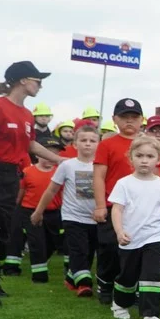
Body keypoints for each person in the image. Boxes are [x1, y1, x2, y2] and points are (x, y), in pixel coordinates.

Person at [0, 61, 63, 306]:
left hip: (8, 175)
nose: (40, 85)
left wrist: (62, 160)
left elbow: (31, 145)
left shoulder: (27, 114)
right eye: (37, 80)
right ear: (22, 81)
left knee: (3, 231)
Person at [108, 136, 160, 319]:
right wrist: (119, 231)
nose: (144, 160)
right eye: (139, 155)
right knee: (128, 276)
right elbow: (117, 209)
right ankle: (120, 304)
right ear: (131, 158)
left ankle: (151, 313)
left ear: (158, 159)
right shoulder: (124, 183)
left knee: (152, 274)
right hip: (130, 238)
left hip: (154, 237)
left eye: (149, 156)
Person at [34, 122, 99, 296]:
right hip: (73, 216)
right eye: (83, 140)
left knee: (89, 252)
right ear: (75, 144)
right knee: (78, 250)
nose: (87, 143)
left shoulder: (101, 166)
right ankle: (84, 284)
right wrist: (39, 211)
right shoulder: (67, 165)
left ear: (98, 144)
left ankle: (71, 278)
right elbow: (52, 190)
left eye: (92, 140)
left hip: (95, 217)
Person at [92, 99, 144, 305]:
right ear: (115, 120)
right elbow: (98, 176)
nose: (129, 121)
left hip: (140, 207)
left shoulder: (147, 144)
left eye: (134, 118)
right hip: (114, 205)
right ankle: (105, 285)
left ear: (141, 120)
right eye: (124, 118)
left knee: (137, 249)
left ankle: (131, 288)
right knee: (109, 248)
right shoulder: (107, 145)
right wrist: (99, 205)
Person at [15, 139, 66, 282]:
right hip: (30, 211)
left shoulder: (60, 172)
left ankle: (42, 261)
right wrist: (15, 209)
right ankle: (39, 275)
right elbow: (21, 191)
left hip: (53, 212)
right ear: (37, 154)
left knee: (53, 242)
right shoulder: (28, 171)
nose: (51, 156)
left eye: (55, 154)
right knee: (36, 242)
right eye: (48, 153)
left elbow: (63, 193)